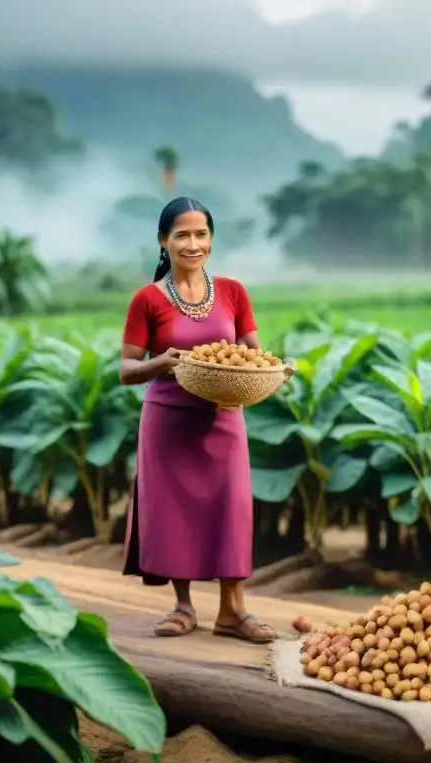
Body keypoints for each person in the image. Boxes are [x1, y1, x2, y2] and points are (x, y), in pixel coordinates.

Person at [118, 196, 280, 643]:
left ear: (211, 239)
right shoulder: (147, 300)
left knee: (232, 509)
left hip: (224, 417)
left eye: (201, 234)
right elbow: (126, 370)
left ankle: (234, 611)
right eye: (182, 235)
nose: (193, 244)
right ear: (163, 241)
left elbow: (252, 352)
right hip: (168, 421)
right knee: (174, 513)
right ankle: (183, 606)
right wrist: (163, 362)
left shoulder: (232, 292)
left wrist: (270, 369)